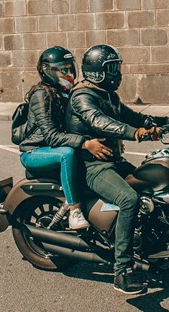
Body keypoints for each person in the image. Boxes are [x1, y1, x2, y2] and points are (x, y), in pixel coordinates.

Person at [66, 44, 169, 295]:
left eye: (117, 67)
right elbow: (100, 121)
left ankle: (152, 242)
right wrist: (136, 134)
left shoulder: (108, 95)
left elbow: (133, 117)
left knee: (151, 185)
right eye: (112, 68)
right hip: (92, 166)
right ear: (97, 72)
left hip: (112, 161)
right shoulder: (83, 96)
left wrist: (168, 122)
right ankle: (122, 270)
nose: (117, 73)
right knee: (129, 199)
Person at [18, 46, 112, 230]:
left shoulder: (64, 93)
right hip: (34, 151)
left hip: (52, 148)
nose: (69, 73)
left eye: (71, 68)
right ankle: (75, 211)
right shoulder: (41, 95)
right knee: (66, 154)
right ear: (48, 71)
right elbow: (52, 137)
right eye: (64, 70)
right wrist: (84, 143)